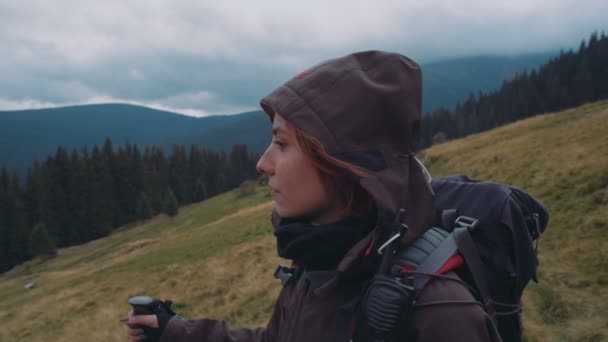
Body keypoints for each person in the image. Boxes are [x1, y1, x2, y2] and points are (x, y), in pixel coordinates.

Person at [126, 51, 502, 341]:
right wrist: (175, 331)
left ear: (342, 163)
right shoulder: (320, 261)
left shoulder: (438, 314)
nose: (262, 163)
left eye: (282, 143)